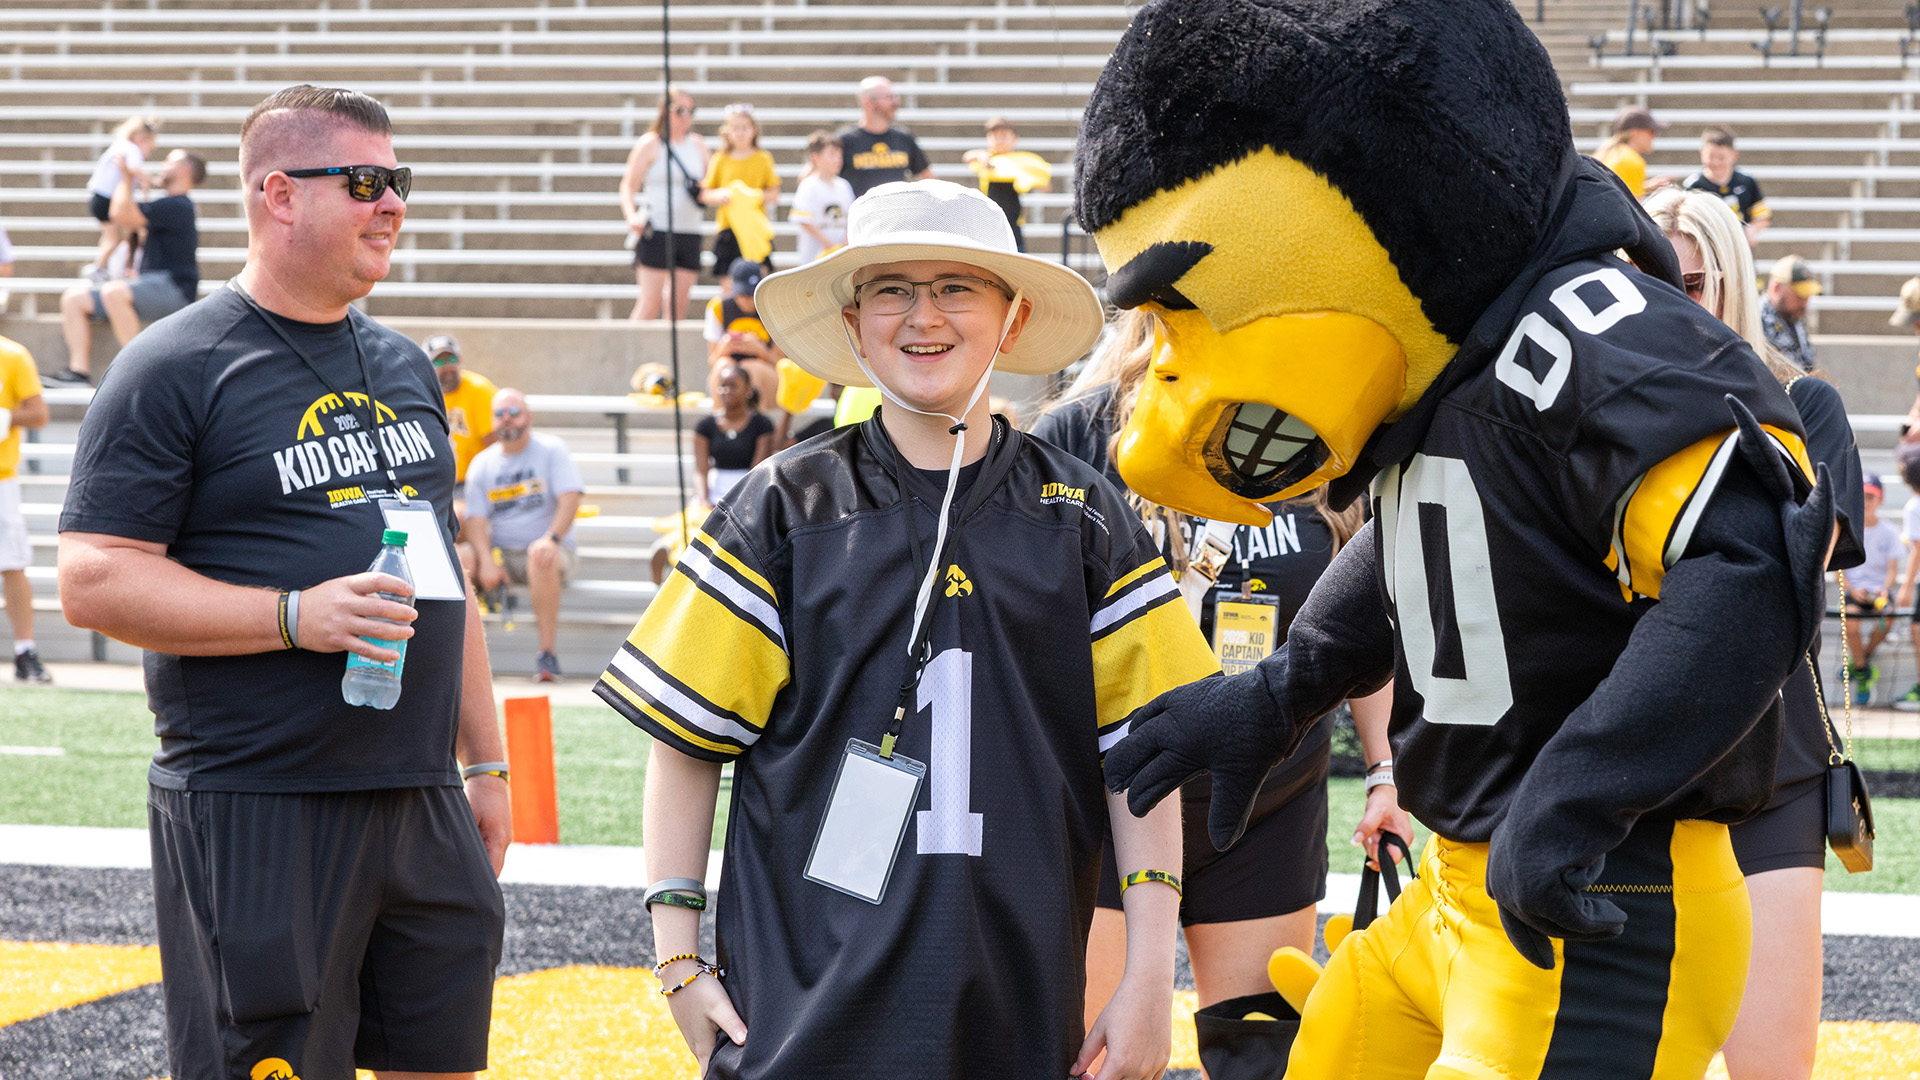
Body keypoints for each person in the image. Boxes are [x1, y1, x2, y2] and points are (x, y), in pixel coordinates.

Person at [1077, 3, 1832, 1077]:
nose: (1165, 364)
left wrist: (1580, 791)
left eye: (1189, 310)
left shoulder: (1596, 332)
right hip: (1453, 888)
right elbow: (1414, 547)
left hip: (1595, 892)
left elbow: (1748, 563)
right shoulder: (1451, 366)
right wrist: (1282, 686)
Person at [598, 180, 1214, 1080]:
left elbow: (1144, 760)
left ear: (1013, 316)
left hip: (1015, 1004)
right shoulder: (784, 506)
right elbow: (686, 742)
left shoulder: (1083, 517)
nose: (923, 315)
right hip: (801, 1010)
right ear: (852, 322)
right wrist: (677, 953)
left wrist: (1152, 974)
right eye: (892, 289)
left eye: (957, 286)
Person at [55, 84, 509, 1080]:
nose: (393, 204)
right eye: (366, 181)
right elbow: (92, 580)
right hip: (262, 799)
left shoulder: (401, 364)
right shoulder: (173, 364)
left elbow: (443, 579)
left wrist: (484, 765)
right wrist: (295, 616)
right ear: (280, 195)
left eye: (400, 182)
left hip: (420, 795)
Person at [1031, 311, 1412, 1056]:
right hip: (1108, 793)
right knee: (1088, 1056)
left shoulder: (1325, 422)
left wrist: (1382, 771)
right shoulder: (1081, 434)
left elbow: (1359, 617)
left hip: (1269, 799)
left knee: (1259, 1053)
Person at [1643, 185, 1863, 1080]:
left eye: (1684, 280)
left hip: (1773, 767)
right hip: (1635, 770)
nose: (1663, 297)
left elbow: (1806, 558)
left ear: (1727, 279)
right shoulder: (1603, 413)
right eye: (1642, 276)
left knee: (1773, 1066)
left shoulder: (1806, 403)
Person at [52, 148, 204, 385]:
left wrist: (127, 176)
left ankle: (139, 371)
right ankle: (78, 372)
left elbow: (120, 213)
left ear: (184, 170)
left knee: (114, 292)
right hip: (152, 284)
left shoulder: (179, 205)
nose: (162, 166)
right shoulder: (168, 205)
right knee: (74, 299)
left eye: (168, 161)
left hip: (174, 288)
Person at [464, 388, 583, 684]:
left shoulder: (551, 449)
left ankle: (547, 655)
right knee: (460, 558)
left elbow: (571, 498)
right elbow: (476, 520)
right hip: (503, 555)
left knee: (540, 555)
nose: (507, 419)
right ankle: (461, 662)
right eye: (500, 414)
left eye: (514, 412)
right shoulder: (482, 463)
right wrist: (485, 560)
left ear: (528, 417)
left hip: (552, 549)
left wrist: (551, 539)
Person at [620, 85, 709, 321]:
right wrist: (631, 216)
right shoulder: (650, 144)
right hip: (657, 229)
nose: (686, 117)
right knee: (651, 302)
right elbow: (628, 185)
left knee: (678, 305)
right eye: (680, 110)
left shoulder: (698, 145)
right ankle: (633, 355)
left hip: (689, 230)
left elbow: (712, 182)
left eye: (691, 111)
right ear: (664, 111)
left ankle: (667, 358)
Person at [0, 333, 49, 683]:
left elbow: (38, 413)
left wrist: (3, 418)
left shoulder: (12, 355)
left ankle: (25, 648)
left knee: (12, 564)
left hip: (1, 478)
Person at [424, 333, 498, 518]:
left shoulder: (479, 389)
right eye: (439, 362)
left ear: (460, 359)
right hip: (435, 481)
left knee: (457, 516)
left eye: (452, 359)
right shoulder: (423, 393)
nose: (447, 366)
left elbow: (495, 445)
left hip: (473, 482)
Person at [702, 103, 779, 279]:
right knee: (728, 284)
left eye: (744, 127)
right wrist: (721, 194)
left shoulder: (763, 158)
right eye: (735, 128)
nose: (740, 132)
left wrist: (751, 196)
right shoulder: (720, 159)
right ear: (727, 131)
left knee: (758, 283)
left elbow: (774, 193)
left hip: (754, 229)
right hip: (728, 229)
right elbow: (706, 194)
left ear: (753, 130)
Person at [1842, 474, 1900, 705]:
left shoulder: (1889, 532)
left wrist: (1884, 590)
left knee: (1889, 616)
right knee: (1851, 621)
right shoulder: (1848, 529)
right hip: (1855, 591)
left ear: (1880, 499)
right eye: (1862, 497)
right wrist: (1852, 589)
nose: (1866, 501)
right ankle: (1863, 669)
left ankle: (1859, 663)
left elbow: (1893, 571)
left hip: (1879, 592)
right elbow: (1840, 570)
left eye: (1870, 497)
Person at [82, 116, 157, 281]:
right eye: (148, 149)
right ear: (140, 139)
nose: (147, 154)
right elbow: (134, 168)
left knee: (112, 236)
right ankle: (99, 268)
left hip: (100, 196)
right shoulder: (130, 149)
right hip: (106, 198)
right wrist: (153, 180)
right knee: (115, 237)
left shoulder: (121, 146)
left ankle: (103, 266)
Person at [964, 117, 1051, 253]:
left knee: (1017, 256)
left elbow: (1045, 185)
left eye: (1004, 136)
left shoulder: (1022, 162)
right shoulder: (987, 159)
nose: (999, 141)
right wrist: (981, 156)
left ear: (1015, 138)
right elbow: (968, 157)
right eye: (995, 137)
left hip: (1013, 223)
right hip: (989, 223)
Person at [693, 363, 774, 506]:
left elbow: (757, 471)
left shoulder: (762, 424)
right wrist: (703, 499)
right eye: (723, 385)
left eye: (733, 385)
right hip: (714, 491)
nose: (727, 391)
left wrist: (745, 503)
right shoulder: (705, 425)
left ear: (748, 390)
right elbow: (701, 470)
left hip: (749, 491)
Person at [837, 76, 933, 197]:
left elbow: (928, 179)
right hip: (862, 213)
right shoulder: (845, 140)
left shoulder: (904, 137)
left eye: (895, 97)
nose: (895, 102)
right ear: (869, 102)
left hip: (897, 213)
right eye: (889, 97)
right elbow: (819, 176)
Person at [1682, 125, 1771, 245]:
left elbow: (1762, 216)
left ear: (1734, 155)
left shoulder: (1746, 182)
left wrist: (1752, 230)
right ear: (1702, 153)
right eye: (1711, 156)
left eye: (1721, 157)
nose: (1716, 162)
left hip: (1739, 247)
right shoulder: (1693, 185)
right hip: (1708, 248)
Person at [790, 130, 855, 265]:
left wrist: (844, 241)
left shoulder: (844, 186)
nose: (838, 159)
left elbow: (851, 217)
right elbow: (803, 219)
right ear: (816, 158)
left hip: (840, 254)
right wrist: (826, 242)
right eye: (832, 154)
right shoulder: (809, 185)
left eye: (839, 155)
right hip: (814, 258)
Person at [1761, 254, 1821, 372]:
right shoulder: (1757, 320)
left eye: (1807, 296)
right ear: (1776, 288)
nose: (1805, 303)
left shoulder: (1793, 317)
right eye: (1799, 295)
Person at [1594, 105, 1667, 198]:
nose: (1655, 136)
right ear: (1634, 132)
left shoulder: (1609, 154)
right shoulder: (1632, 161)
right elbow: (1633, 208)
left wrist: (1644, 188)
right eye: (1651, 131)